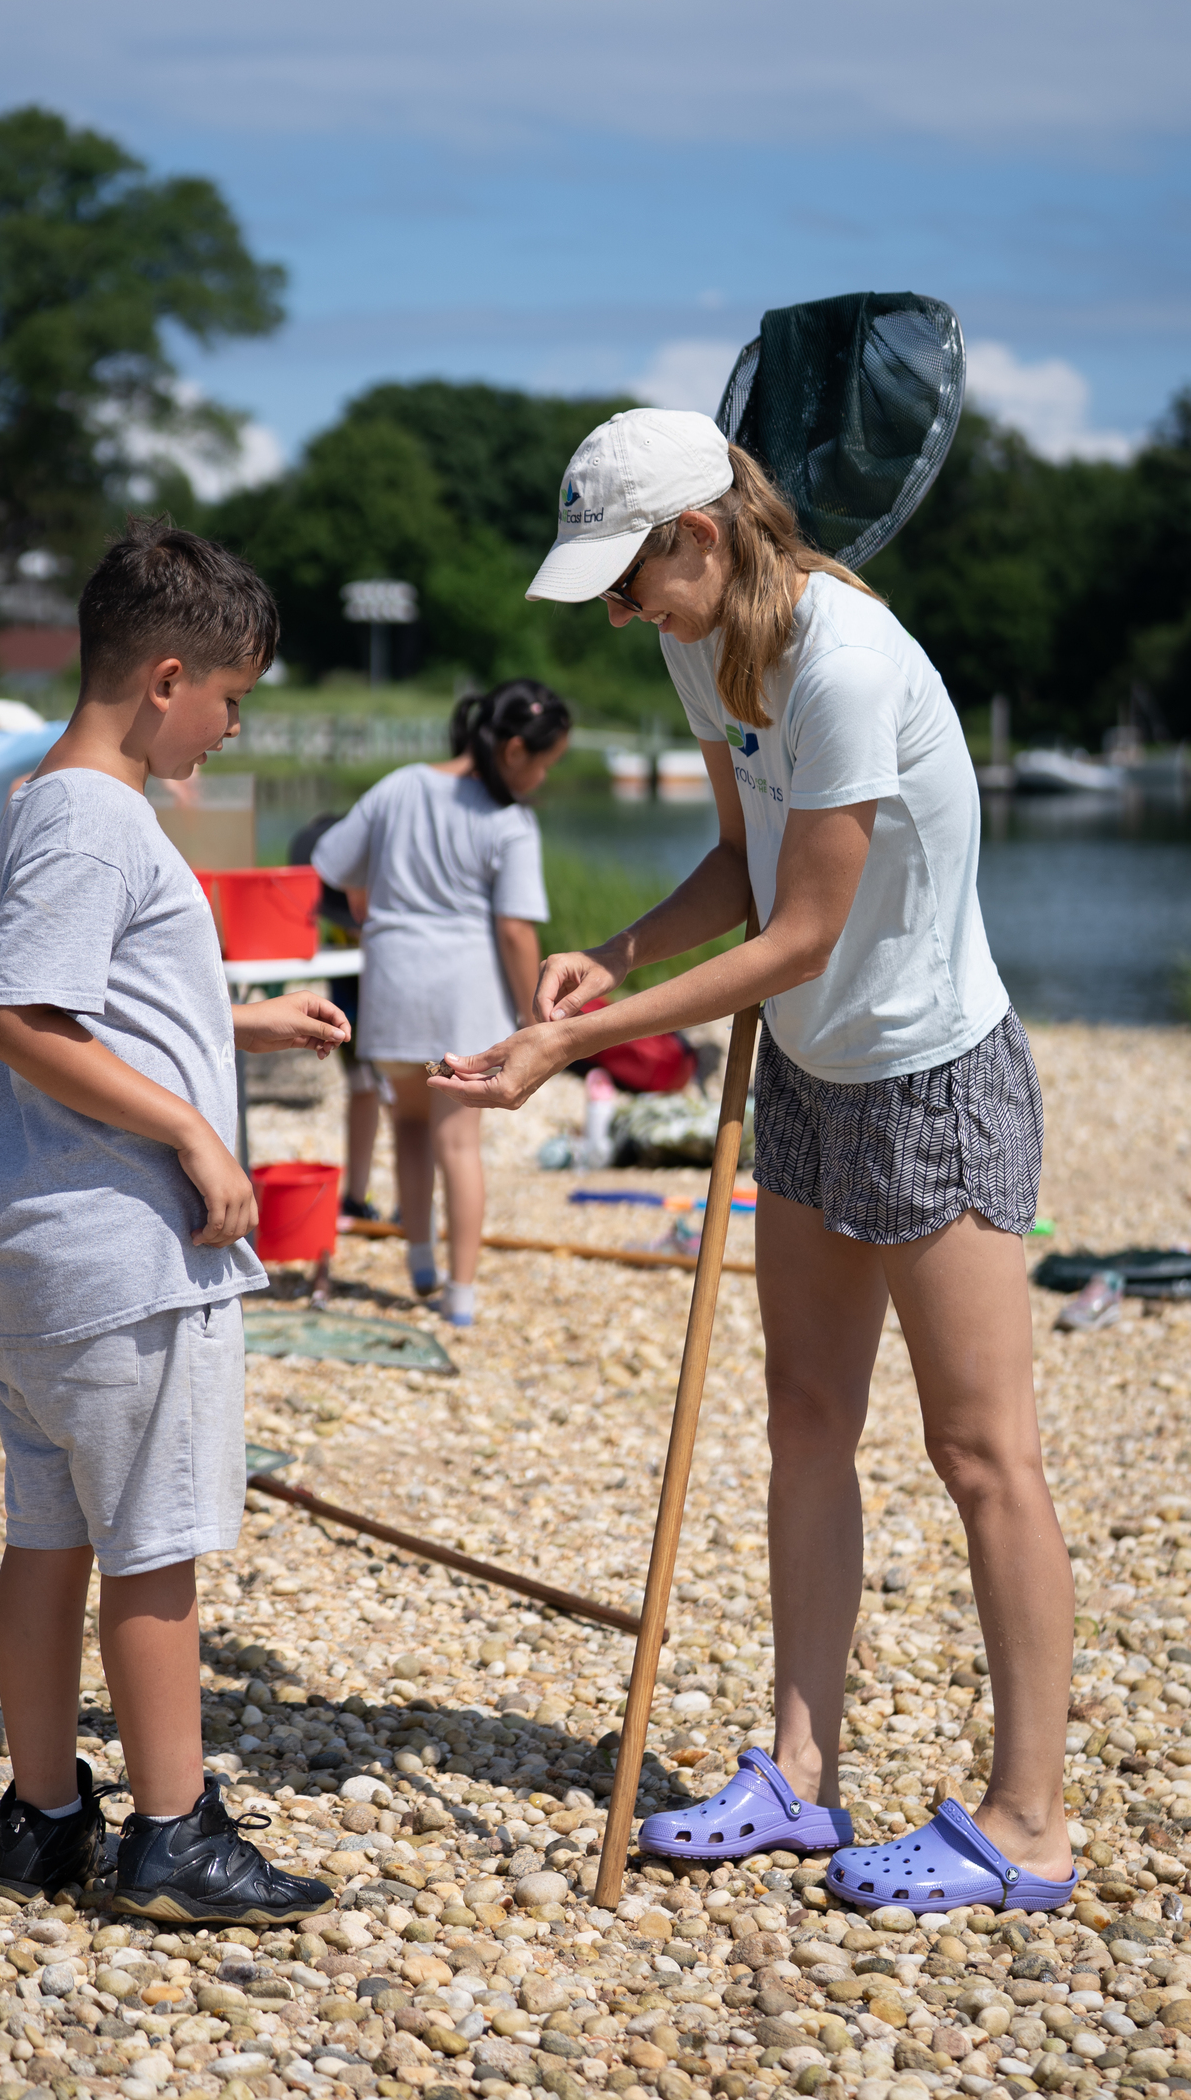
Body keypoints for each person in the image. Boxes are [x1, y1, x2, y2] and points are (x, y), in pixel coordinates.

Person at [436, 409, 1077, 1912]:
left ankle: (1030, 1823)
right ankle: (800, 1771)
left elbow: (805, 928)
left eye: (629, 574)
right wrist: (615, 953)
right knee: (805, 1416)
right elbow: (741, 870)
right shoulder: (698, 643)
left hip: (932, 1075)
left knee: (982, 1455)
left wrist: (567, 1052)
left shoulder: (846, 661)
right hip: (807, 1070)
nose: (614, 610)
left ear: (702, 537)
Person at [0, 516, 347, 1925]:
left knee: (51, 1533)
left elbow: (90, 995)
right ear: (167, 676)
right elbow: (24, 1020)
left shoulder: (46, 805)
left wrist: (243, 1024)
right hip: (122, 1247)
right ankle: (173, 1830)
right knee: (152, 1542)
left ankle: (45, 1815)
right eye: (233, 698)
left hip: (43, 1250)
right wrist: (188, 1125)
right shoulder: (96, 814)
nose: (232, 729)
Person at [312, 679, 571, 1327]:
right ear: (514, 750)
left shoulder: (400, 785)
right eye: (545, 762)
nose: (542, 777)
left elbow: (332, 861)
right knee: (460, 1139)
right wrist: (533, 1016)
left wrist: (382, 889)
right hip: (461, 991)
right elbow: (515, 928)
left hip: (395, 987)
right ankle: (460, 1294)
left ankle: (420, 1261)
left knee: (408, 1126)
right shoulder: (508, 820)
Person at [287, 813, 383, 1221]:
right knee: (363, 1086)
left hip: (393, 995)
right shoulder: (334, 907)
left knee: (409, 1093)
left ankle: (417, 1212)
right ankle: (356, 1197)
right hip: (352, 992)